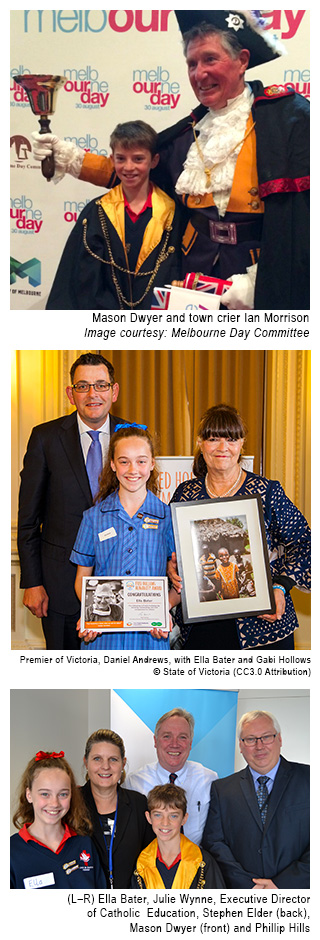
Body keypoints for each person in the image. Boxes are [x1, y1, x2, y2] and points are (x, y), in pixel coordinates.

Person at [33, 11, 309, 310]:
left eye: (210, 60)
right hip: (192, 269)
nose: (199, 74)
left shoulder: (289, 118)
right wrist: (68, 156)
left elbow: (303, 219)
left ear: (242, 60)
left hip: (260, 270)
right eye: (192, 64)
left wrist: (258, 280)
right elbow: (134, 174)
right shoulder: (189, 132)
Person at [170, 404, 311, 650]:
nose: (222, 448)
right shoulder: (186, 494)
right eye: (213, 439)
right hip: (203, 628)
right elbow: (171, 548)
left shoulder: (267, 492)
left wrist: (280, 586)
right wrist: (172, 567)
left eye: (231, 439)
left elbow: (305, 543)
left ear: (241, 443)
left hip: (264, 627)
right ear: (200, 442)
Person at [17, 352, 126, 650]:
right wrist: (32, 582)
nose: (93, 394)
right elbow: (28, 519)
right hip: (58, 588)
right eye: (83, 386)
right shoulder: (45, 438)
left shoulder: (131, 436)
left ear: (114, 391)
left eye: (101, 385)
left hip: (120, 582)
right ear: (71, 393)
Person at [46, 121, 181, 310]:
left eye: (138, 159)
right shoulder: (97, 212)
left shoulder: (172, 213)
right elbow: (82, 280)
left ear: (154, 160)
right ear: (112, 159)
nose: (128, 167)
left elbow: (174, 273)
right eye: (121, 158)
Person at [70, 424, 180, 650]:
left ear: (152, 464)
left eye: (141, 461)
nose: (133, 469)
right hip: (103, 639)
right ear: (112, 464)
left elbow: (181, 582)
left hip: (151, 639)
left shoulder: (169, 517)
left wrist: (163, 609)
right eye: (124, 461)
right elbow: (82, 579)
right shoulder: (93, 518)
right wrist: (90, 613)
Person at [202, 710, 310, 889]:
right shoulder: (222, 789)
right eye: (251, 739)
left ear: (279, 739)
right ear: (241, 745)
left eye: (266, 737)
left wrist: (283, 884)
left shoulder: (310, 779)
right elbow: (214, 843)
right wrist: (248, 885)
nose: (259, 746)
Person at [10, 750, 106, 889]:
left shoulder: (84, 844)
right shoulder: (10, 853)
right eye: (45, 794)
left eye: (63, 794)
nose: (54, 803)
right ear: (29, 795)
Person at [124, 708, 218, 845]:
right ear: (155, 741)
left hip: (197, 861)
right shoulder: (133, 782)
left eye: (182, 737)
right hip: (148, 863)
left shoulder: (209, 779)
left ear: (190, 743)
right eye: (167, 736)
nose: (174, 744)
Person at [80, 729, 153, 888]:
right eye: (97, 759)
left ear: (123, 763)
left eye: (113, 759)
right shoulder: (71, 804)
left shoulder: (139, 804)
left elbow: (153, 857)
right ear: (86, 762)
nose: (105, 766)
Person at [132, 784, 225, 889]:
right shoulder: (141, 864)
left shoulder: (202, 862)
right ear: (148, 818)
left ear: (184, 819)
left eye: (173, 816)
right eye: (158, 815)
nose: (165, 823)